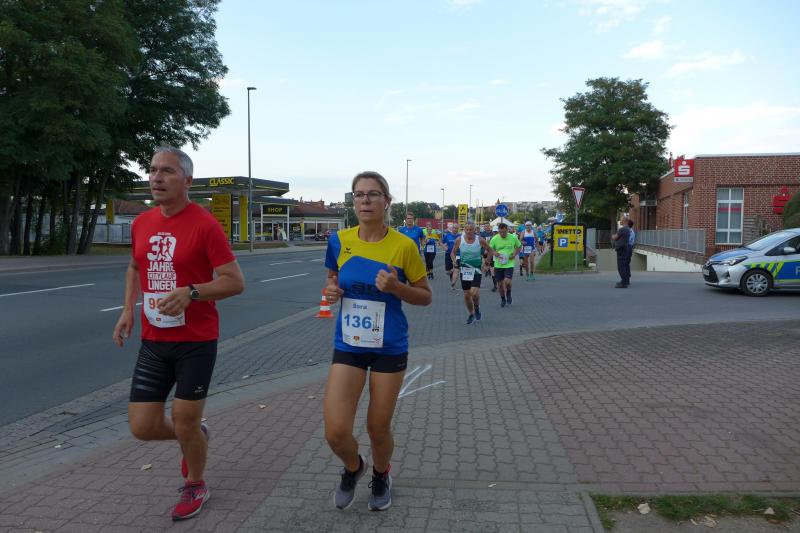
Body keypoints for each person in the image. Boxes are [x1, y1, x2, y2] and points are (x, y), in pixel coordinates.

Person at [112, 146, 245, 521]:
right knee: (142, 426)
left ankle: (195, 483)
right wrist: (128, 309)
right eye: (153, 170)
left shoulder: (204, 224)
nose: (157, 177)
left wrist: (192, 293)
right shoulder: (142, 222)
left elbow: (235, 281)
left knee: (183, 419)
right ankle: (195, 434)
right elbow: (134, 268)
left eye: (167, 171)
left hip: (195, 341)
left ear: (187, 181)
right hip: (154, 341)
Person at [322, 171, 431, 512]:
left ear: (387, 201)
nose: (365, 200)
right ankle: (354, 467)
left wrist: (397, 288)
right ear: (353, 201)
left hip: (389, 346)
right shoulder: (339, 240)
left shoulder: (403, 246)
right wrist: (331, 290)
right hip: (349, 345)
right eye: (359, 194)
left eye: (373, 194)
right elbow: (332, 279)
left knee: (377, 427)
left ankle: (381, 474)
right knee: (335, 431)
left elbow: (425, 296)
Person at [451, 222, 495, 324]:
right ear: (464, 230)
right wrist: (454, 260)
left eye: (471, 229)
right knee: (467, 295)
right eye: (467, 229)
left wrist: (486, 263)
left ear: (474, 230)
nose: (469, 231)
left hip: (476, 270)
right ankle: (471, 313)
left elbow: (490, 251)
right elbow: (453, 252)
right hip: (464, 270)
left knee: (474, 293)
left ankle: (477, 308)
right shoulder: (459, 240)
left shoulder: (480, 240)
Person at [489, 223, 521, 307]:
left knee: (507, 281)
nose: (502, 234)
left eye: (504, 232)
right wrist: (494, 253)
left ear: (507, 230)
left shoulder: (513, 237)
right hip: (498, 264)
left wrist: (514, 254)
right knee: (500, 284)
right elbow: (490, 249)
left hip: (509, 263)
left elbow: (519, 246)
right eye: (500, 232)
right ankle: (503, 298)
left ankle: (509, 293)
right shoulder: (494, 239)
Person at [611, 215, 632, 288]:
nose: (620, 221)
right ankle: (626, 281)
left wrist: (613, 236)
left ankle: (623, 283)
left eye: (621, 220)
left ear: (624, 221)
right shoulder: (628, 229)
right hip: (625, 248)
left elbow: (615, 237)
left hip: (621, 249)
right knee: (625, 265)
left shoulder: (622, 229)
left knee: (621, 266)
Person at [441, 223, 461, 289]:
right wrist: (444, 247)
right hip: (448, 254)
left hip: (457, 254)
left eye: (456, 228)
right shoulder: (447, 236)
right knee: (448, 271)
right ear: (452, 228)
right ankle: (452, 271)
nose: (455, 229)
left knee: (456, 267)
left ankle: (453, 283)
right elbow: (440, 242)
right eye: (454, 228)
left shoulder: (460, 236)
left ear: (458, 229)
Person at [479, 223, 496, 291]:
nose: (486, 227)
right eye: (485, 226)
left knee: (491, 264)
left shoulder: (492, 232)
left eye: (487, 226)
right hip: (485, 249)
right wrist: (485, 249)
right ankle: (487, 269)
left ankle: (488, 269)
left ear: (489, 227)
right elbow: (482, 242)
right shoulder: (482, 233)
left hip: (492, 250)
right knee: (486, 260)